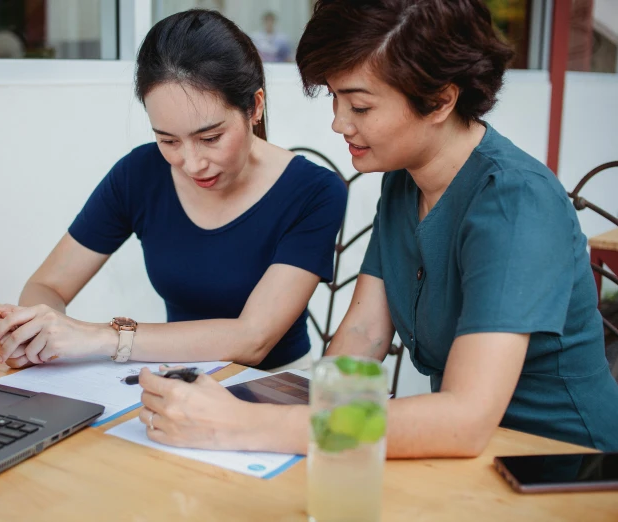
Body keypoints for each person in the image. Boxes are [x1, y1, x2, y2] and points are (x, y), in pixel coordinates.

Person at [133, 0, 618, 455]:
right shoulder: (404, 184)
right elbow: (363, 336)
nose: (338, 124)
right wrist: (258, 409)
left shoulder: (516, 201)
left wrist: (249, 427)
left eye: (360, 107)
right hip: (468, 461)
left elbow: (466, 418)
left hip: (564, 464)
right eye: (335, 99)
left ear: (441, 99)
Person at [0, 10, 347, 373]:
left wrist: (103, 337)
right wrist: (38, 333)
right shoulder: (139, 174)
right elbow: (46, 285)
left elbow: (253, 339)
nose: (191, 163)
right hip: (175, 382)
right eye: (168, 140)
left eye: (210, 137)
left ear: (255, 107)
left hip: (274, 388)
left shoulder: (314, 192)